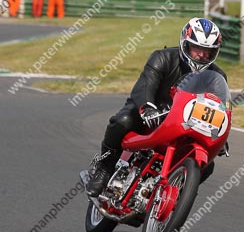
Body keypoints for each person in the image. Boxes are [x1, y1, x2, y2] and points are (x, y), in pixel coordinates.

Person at [86, 17, 227, 197]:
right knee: (122, 121)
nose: (201, 55)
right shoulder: (162, 57)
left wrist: (221, 133)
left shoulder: (216, 76)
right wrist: (147, 107)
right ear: (185, 43)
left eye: (207, 51)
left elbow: (219, 107)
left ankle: (173, 197)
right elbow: (146, 84)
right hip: (150, 113)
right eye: (197, 48)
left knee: (207, 165)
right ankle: (104, 168)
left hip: (184, 124)